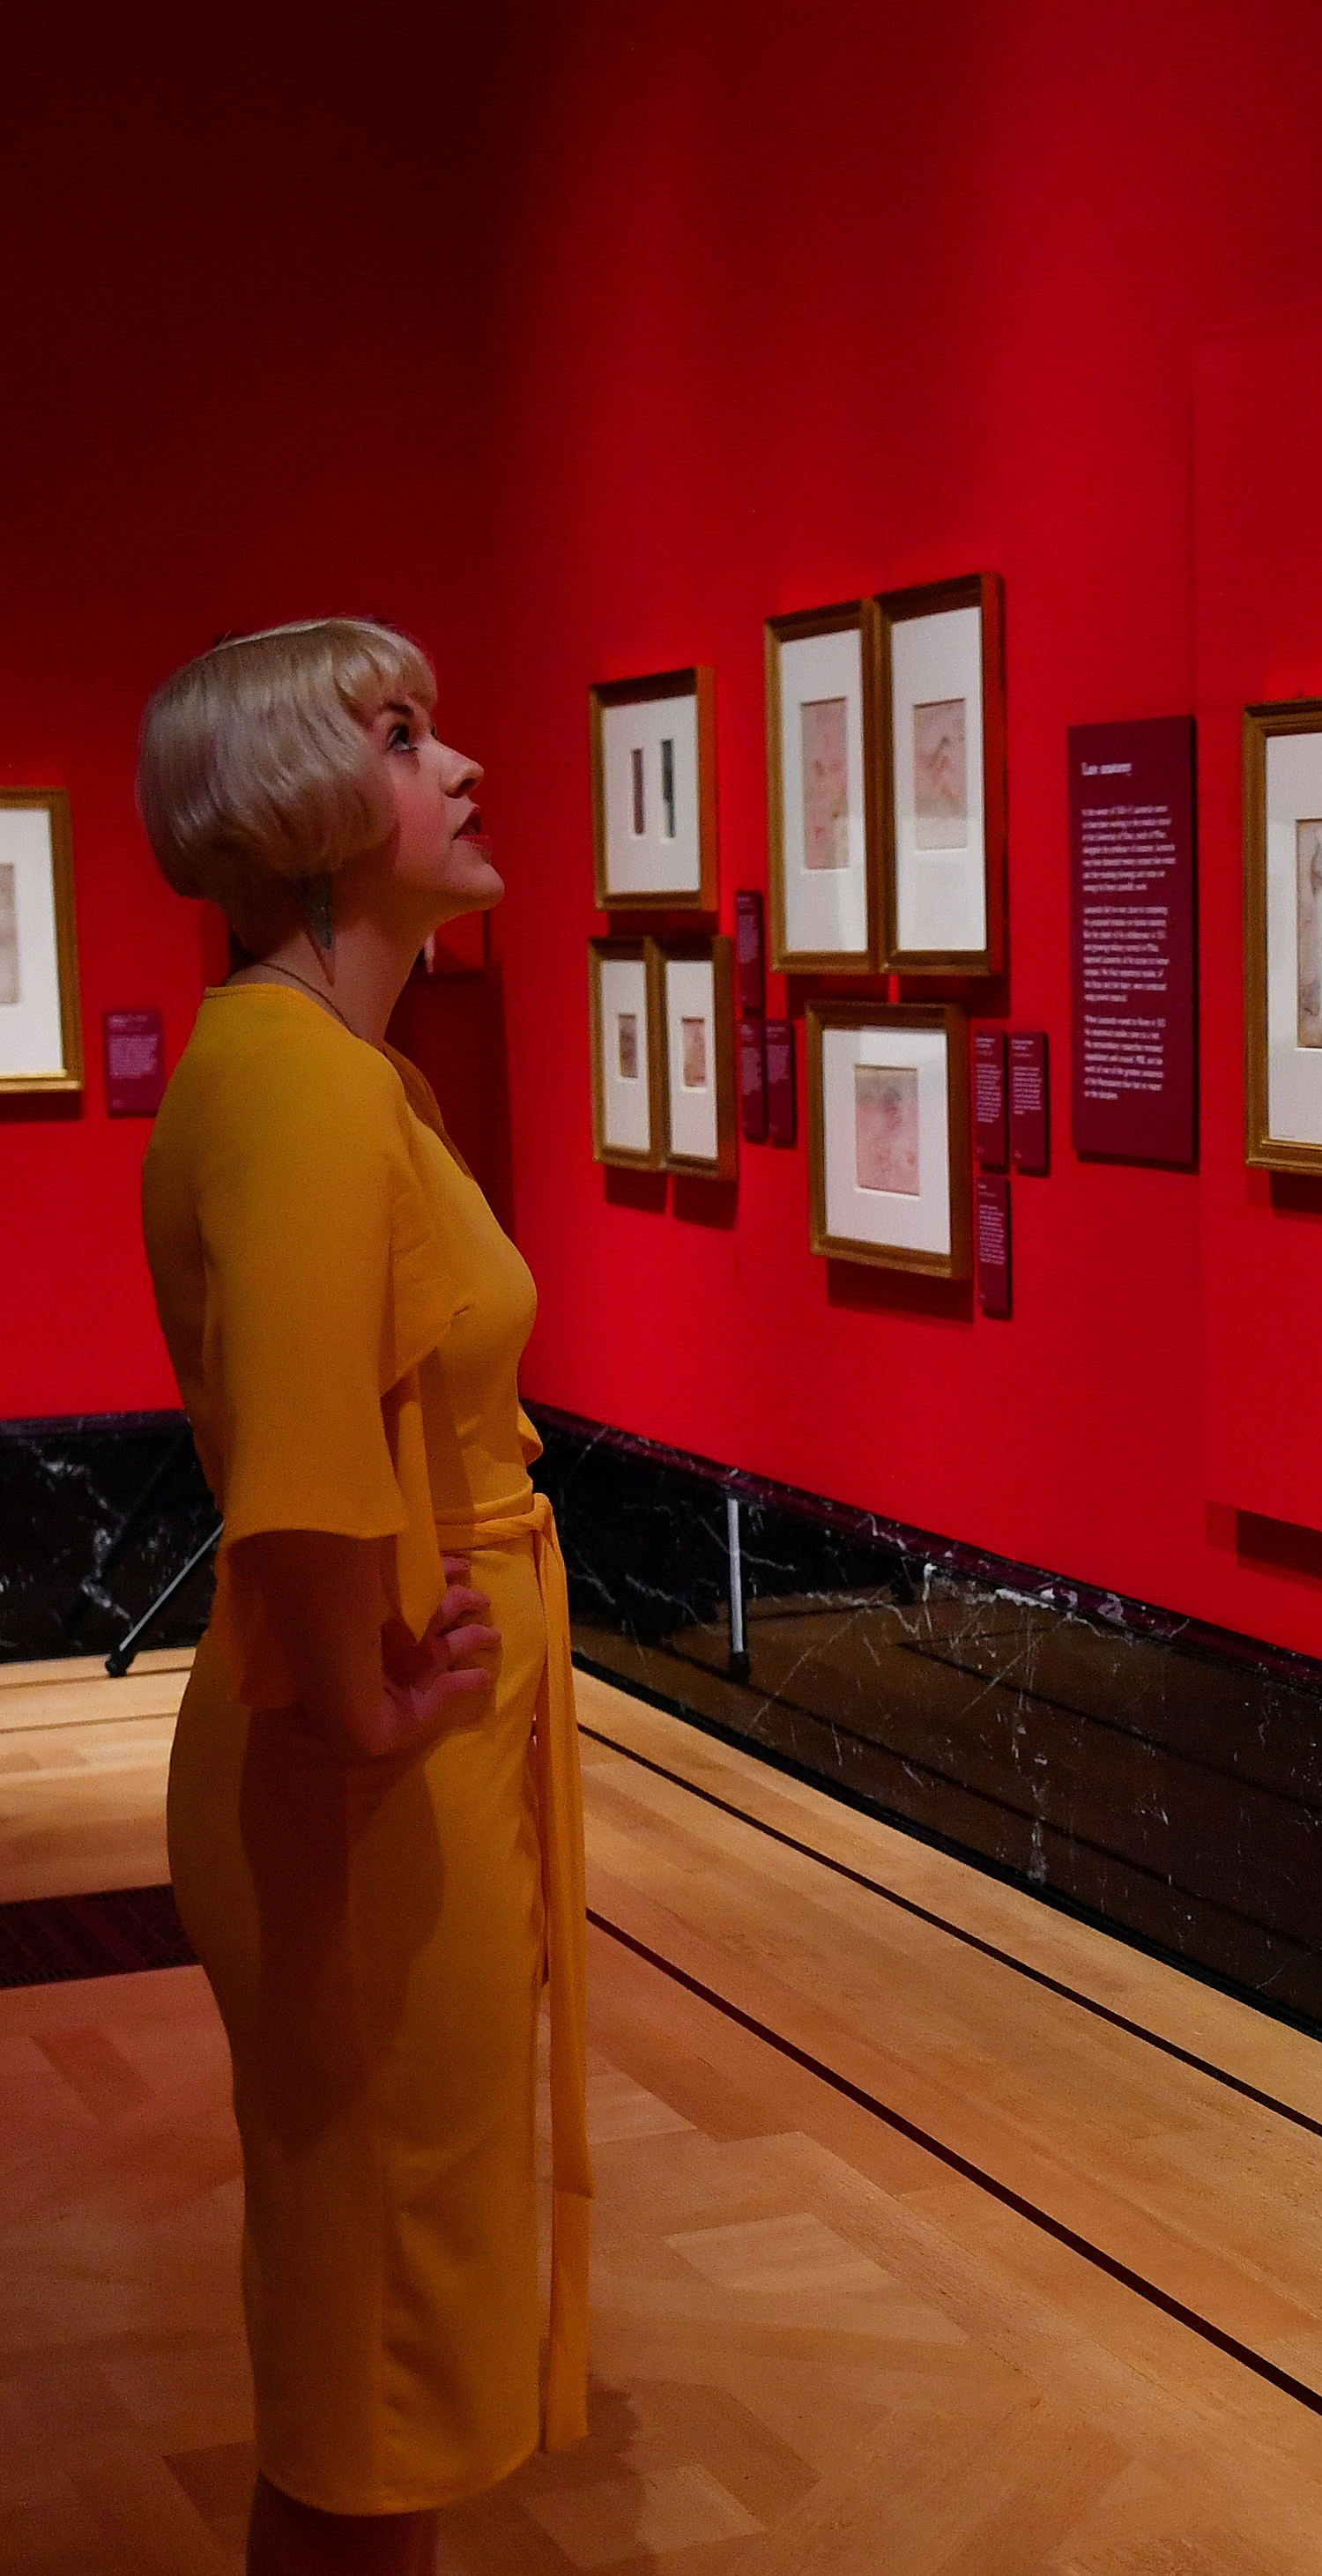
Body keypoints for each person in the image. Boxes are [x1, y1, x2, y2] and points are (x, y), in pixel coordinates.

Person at [134, 620, 589, 2575]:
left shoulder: (318, 1063)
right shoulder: (312, 1090)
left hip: (378, 1749)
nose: (464, 764)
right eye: (407, 738)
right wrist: (364, 1705)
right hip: (365, 1776)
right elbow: (311, 1463)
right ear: (306, 814)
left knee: (366, 2315)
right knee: (373, 2344)